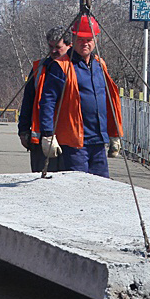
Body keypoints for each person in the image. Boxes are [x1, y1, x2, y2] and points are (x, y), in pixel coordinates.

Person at [38, 14, 123, 178]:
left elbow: (109, 100)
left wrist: (114, 133)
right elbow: (47, 103)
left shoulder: (99, 64)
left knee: (101, 186)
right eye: (81, 39)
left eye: (89, 39)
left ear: (95, 40)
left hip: (98, 140)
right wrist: (48, 134)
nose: (85, 43)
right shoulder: (61, 66)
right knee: (78, 186)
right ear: (73, 39)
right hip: (74, 142)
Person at [18, 26, 71, 172]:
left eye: (58, 47)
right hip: (41, 139)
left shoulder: (75, 68)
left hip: (69, 139)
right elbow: (28, 101)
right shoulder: (39, 68)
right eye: (50, 46)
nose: (53, 51)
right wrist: (23, 130)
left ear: (69, 46)